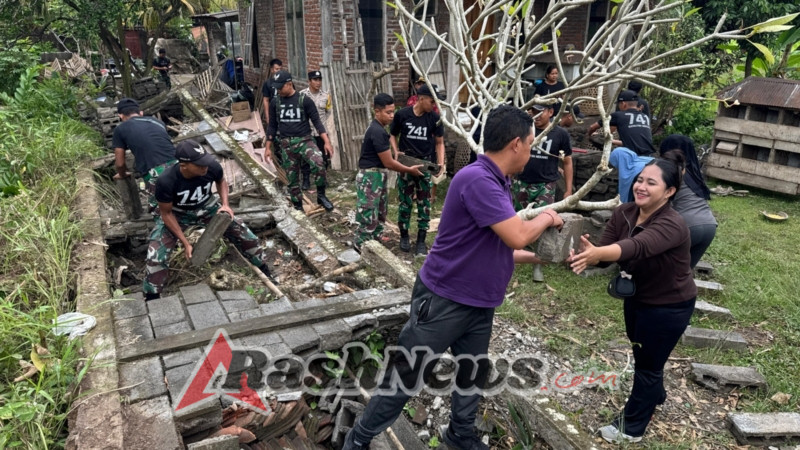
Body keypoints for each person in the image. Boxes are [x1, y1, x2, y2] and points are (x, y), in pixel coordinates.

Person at [343, 104, 564, 450]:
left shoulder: (497, 181)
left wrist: (545, 257)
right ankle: (358, 440)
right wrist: (549, 217)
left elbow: (499, 245)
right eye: (532, 144)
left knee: (471, 372)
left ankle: (460, 434)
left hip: (479, 303)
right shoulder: (477, 179)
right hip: (445, 300)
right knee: (407, 375)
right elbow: (519, 234)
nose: (531, 152)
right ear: (516, 144)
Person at [569, 158, 696, 444]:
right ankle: (656, 394)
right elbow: (605, 253)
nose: (641, 186)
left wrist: (599, 254)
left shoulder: (672, 224)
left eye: (651, 183)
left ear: (669, 192)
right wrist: (586, 255)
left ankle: (632, 427)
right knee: (645, 355)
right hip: (638, 299)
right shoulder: (625, 212)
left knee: (647, 365)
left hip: (669, 305)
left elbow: (637, 246)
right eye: (640, 179)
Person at [143, 140, 277, 301]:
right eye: (199, 165)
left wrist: (226, 205)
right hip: (178, 214)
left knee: (244, 234)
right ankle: (152, 298)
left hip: (207, 207)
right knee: (156, 253)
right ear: (184, 165)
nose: (204, 167)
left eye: (205, 162)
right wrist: (185, 243)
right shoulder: (166, 181)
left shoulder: (211, 166)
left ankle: (266, 271)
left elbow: (221, 181)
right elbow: (166, 214)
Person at [354, 93, 423, 249]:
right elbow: (389, 163)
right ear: (376, 111)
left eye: (393, 111)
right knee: (368, 216)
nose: (392, 116)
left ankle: (374, 248)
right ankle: (359, 249)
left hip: (377, 175)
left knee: (379, 214)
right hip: (370, 177)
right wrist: (409, 170)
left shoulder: (380, 130)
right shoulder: (377, 131)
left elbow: (387, 159)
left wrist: (397, 155)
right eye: (388, 112)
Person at [513, 103, 572, 282]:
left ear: (551, 112)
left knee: (543, 222)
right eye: (534, 112)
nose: (537, 115)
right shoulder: (523, 129)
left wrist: (569, 190)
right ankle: (512, 256)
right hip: (521, 182)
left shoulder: (560, 134)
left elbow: (567, 162)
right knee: (517, 220)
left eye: (541, 111)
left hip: (546, 184)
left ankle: (538, 262)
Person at [264, 70, 335, 212]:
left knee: (319, 163)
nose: (278, 90)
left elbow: (317, 122)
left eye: (280, 87)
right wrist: (267, 147)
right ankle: (298, 206)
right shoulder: (275, 102)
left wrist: (326, 142)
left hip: (305, 141)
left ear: (289, 84)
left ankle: (321, 195)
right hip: (286, 144)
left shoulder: (304, 100)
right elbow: (272, 126)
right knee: (292, 178)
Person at [390, 84, 445, 256]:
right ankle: (404, 236)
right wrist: (395, 150)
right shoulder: (402, 115)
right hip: (406, 164)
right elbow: (392, 134)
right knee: (405, 202)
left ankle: (421, 240)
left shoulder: (435, 118)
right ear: (421, 98)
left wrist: (441, 163)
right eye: (431, 101)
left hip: (424, 165)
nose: (434, 105)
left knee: (424, 204)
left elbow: (439, 142)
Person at [660, 134, 717, 268]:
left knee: (659, 269)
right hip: (709, 225)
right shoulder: (696, 173)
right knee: (683, 274)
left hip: (687, 226)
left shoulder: (671, 172)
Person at [112, 98, 177, 214]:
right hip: (179, 165)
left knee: (161, 210)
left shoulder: (120, 129)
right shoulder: (158, 122)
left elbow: (120, 163)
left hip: (155, 171)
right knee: (180, 200)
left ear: (121, 116)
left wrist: (122, 173)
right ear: (140, 113)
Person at [586, 90, 655, 156]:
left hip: (632, 156)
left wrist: (590, 135)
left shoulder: (618, 115)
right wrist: (611, 141)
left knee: (616, 152)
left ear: (623, 104)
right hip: (648, 156)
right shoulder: (645, 117)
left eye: (619, 104)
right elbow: (632, 143)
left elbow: (592, 127)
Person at [299, 70, 333, 191]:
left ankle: (323, 179)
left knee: (324, 156)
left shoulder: (326, 96)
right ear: (309, 81)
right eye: (315, 80)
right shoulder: (302, 95)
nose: (318, 82)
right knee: (305, 156)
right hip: (306, 131)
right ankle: (306, 179)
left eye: (319, 80)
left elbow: (328, 112)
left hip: (321, 132)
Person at [260, 59, 283, 127]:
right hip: (274, 112)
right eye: (277, 69)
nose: (279, 71)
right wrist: (267, 117)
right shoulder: (268, 83)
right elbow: (266, 100)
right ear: (272, 70)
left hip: (286, 112)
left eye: (280, 69)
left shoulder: (287, 82)